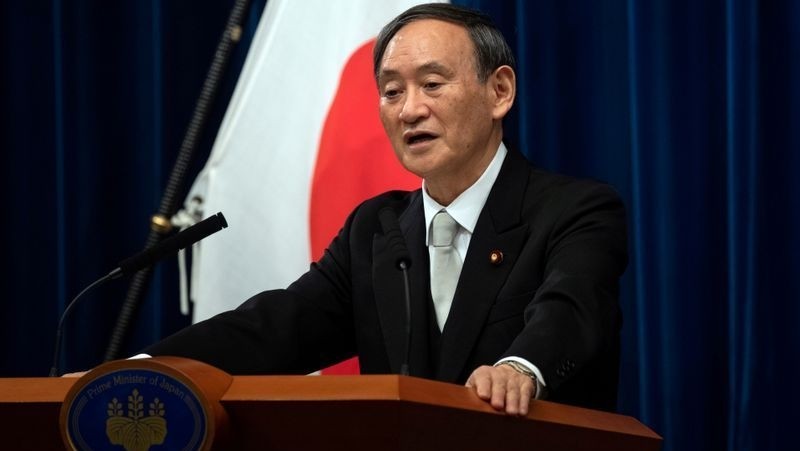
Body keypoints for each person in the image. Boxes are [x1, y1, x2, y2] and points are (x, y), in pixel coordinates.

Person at [143, 3, 627, 416]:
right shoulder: (375, 230)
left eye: (432, 84)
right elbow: (273, 328)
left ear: (499, 91)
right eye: (392, 91)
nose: (409, 110)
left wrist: (520, 368)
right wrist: (143, 368)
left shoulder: (575, 211)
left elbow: (571, 310)